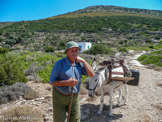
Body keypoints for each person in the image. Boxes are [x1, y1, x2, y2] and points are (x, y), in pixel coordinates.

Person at [49, 41, 95, 122]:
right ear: (67, 52)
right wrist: (67, 83)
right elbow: (52, 82)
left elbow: (92, 74)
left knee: (76, 119)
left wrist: (83, 61)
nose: (75, 53)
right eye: (72, 50)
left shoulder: (79, 64)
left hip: (74, 97)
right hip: (59, 97)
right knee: (59, 120)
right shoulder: (59, 64)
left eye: (76, 50)